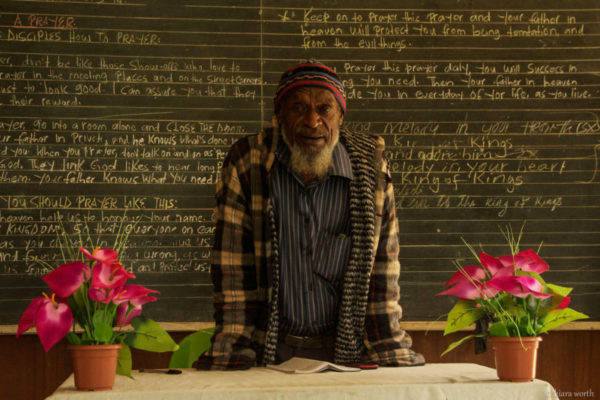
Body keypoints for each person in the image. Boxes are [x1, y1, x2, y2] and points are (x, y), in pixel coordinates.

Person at [195, 59, 425, 369]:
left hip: (349, 355)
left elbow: (382, 275)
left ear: (341, 116)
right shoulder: (249, 162)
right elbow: (233, 274)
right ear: (279, 116)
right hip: (270, 354)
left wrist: (391, 357)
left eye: (324, 109)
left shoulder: (370, 169)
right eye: (298, 108)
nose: (313, 121)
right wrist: (230, 359)